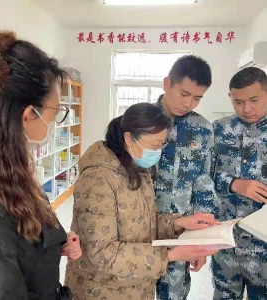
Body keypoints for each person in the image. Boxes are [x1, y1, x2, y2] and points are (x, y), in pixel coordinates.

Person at [0, 31, 81, 300]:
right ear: (29, 115)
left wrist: (52, 242)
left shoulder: (8, 169)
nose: (55, 123)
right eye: (56, 112)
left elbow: (19, 238)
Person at [64, 102, 219, 300]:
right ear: (129, 138)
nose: (158, 151)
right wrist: (171, 256)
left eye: (162, 144)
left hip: (137, 286)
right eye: (154, 145)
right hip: (101, 290)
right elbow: (103, 252)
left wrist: (178, 222)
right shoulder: (98, 178)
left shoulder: (136, 166)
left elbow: (143, 218)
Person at [155, 55, 220, 300]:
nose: (189, 103)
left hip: (181, 230)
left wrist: (200, 241)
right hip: (139, 227)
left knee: (174, 293)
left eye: (197, 98)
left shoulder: (202, 129)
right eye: (184, 94)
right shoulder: (140, 120)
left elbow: (204, 183)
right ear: (166, 83)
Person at [212, 67, 267, 300]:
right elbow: (200, 175)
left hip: (264, 248)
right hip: (227, 241)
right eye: (238, 102)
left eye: (254, 100)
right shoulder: (218, 129)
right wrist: (234, 183)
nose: (246, 109)